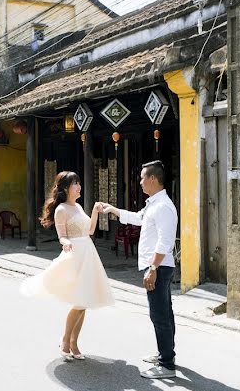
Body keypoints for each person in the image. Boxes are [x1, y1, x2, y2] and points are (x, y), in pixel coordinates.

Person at [20, 171, 114, 361]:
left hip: (88, 253)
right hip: (75, 254)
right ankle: (65, 339)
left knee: (84, 302)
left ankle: (74, 342)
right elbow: (61, 234)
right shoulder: (61, 209)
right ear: (65, 188)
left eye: (79, 182)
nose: (79, 186)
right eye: (75, 184)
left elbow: (90, 230)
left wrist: (95, 211)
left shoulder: (78, 207)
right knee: (80, 301)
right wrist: (65, 242)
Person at [101, 160, 179, 379]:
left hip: (159, 266)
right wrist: (113, 210)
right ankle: (166, 353)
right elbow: (137, 218)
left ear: (153, 179)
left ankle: (167, 364)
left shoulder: (163, 206)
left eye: (143, 177)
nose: (141, 181)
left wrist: (153, 268)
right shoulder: (154, 203)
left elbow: (165, 241)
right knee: (165, 312)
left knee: (159, 315)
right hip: (157, 266)